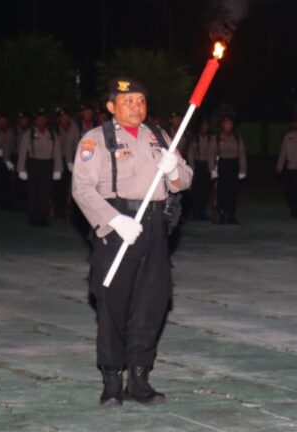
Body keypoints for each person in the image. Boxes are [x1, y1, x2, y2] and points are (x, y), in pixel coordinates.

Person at [71, 76, 193, 406]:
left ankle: (139, 378)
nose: (135, 107)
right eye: (127, 101)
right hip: (118, 227)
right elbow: (81, 189)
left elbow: (184, 180)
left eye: (140, 100)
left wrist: (172, 172)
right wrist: (113, 220)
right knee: (113, 304)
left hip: (155, 227)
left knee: (151, 304)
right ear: (111, 107)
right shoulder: (96, 140)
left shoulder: (160, 135)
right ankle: (112, 380)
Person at [17, 108, 63, 226]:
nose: (41, 121)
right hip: (34, 164)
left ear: (46, 120)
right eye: (39, 119)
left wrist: (58, 169)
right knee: (32, 192)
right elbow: (23, 151)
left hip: (47, 165)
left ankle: (42, 217)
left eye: (43, 119)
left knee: (45, 193)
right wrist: (21, 169)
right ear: (36, 121)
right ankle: (32, 217)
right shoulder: (30, 133)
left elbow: (57, 151)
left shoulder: (52, 133)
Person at [210, 115, 246, 224]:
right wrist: (212, 169)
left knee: (232, 192)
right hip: (222, 165)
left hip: (233, 165)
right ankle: (221, 214)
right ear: (222, 125)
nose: (228, 125)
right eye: (226, 123)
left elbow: (242, 154)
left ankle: (230, 215)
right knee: (221, 192)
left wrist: (243, 170)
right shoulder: (217, 138)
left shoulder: (237, 138)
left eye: (230, 123)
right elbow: (211, 153)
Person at [187, 119, 214, 220]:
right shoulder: (195, 138)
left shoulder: (210, 138)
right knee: (196, 190)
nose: (205, 127)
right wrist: (192, 168)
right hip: (197, 165)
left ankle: (202, 211)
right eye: (203, 125)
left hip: (206, 165)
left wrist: (212, 169)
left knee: (205, 190)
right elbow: (190, 154)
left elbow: (212, 153)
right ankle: (195, 212)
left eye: (207, 125)